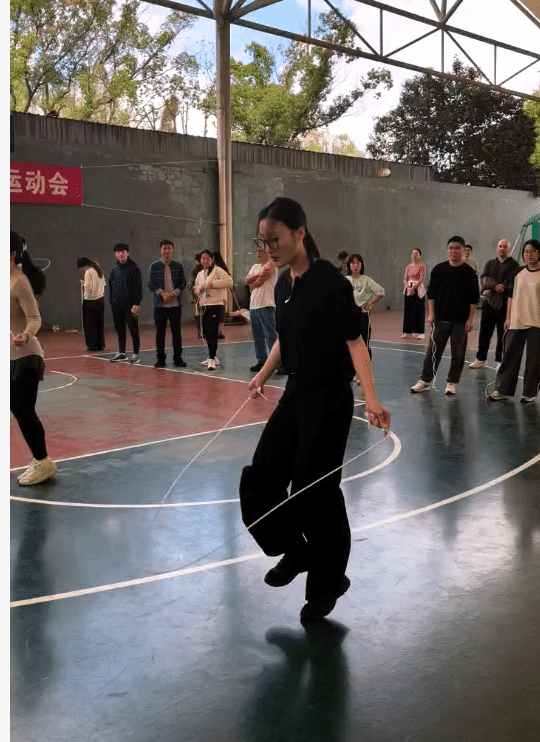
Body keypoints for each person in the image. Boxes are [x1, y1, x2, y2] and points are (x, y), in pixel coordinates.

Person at [239, 197, 390, 622]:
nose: (269, 248)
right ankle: (296, 549)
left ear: (299, 233)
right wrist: (263, 374)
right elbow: (285, 339)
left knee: (315, 493)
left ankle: (328, 584)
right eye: (263, 240)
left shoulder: (330, 282)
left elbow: (355, 342)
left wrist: (371, 399)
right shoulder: (284, 285)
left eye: (275, 239)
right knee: (260, 478)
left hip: (329, 398)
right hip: (296, 393)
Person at [10, 231, 56, 486]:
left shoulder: (20, 282)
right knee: (18, 409)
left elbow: (35, 318)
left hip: (27, 356)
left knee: (23, 410)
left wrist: (26, 334)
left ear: (11, 254)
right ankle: (40, 460)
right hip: (10, 357)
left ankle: (43, 461)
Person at [411, 236, 479, 395]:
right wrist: (431, 314)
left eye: (457, 248)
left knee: (458, 353)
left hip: (460, 321)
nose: (453, 251)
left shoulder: (470, 273)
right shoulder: (439, 270)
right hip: (441, 318)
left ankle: (452, 382)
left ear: (463, 250)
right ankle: (425, 380)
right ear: (448, 250)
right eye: (450, 248)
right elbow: (432, 294)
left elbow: (473, 299)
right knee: (433, 351)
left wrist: (470, 319)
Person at [490, 239, 540, 403]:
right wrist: (508, 318)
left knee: (534, 360)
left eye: (533, 251)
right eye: (526, 251)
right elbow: (510, 296)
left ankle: (529, 392)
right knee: (510, 356)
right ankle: (503, 390)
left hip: (537, 322)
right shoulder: (518, 272)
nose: (529, 254)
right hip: (517, 320)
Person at [469, 239, 519, 370]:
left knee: (503, 334)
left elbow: (512, 284)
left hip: (505, 304)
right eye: (500, 246)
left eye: (504, 247)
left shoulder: (514, 265)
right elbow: (483, 279)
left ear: (508, 249)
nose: (502, 248)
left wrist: (498, 287)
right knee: (484, 332)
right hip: (489, 304)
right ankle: (481, 358)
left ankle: (500, 360)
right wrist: (495, 286)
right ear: (497, 248)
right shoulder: (490, 263)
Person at [148, 240, 187, 368]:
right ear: (161, 250)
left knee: (176, 333)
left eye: (169, 248)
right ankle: (160, 359)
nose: (167, 251)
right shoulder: (154, 266)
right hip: (160, 305)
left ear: (172, 250)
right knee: (160, 333)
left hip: (175, 305)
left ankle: (178, 358)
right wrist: (162, 294)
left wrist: (174, 294)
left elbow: (183, 283)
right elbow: (151, 283)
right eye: (164, 248)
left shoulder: (178, 266)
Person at [193, 249, 233, 370]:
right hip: (204, 305)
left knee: (213, 331)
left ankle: (211, 358)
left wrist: (213, 284)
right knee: (205, 332)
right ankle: (213, 356)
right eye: (203, 258)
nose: (205, 260)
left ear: (212, 260)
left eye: (207, 258)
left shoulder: (218, 270)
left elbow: (229, 281)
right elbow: (196, 288)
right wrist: (198, 290)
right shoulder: (200, 274)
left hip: (216, 304)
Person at [245, 243, 278, 372]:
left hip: (267, 305)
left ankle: (278, 363)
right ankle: (261, 360)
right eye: (257, 251)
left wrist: (255, 280)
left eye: (261, 251)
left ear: (268, 252)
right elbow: (247, 282)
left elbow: (258, 282)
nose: (258, 253)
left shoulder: (272, 264)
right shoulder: (255, 267)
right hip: (254, 306)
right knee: (257, 336)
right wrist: (256, 277)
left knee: (270, 336)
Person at [109, 243, 143, 363]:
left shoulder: (134, 268)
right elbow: (111, 285)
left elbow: (138, 287)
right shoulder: (115, 269)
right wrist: (112, 301)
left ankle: (136, 354)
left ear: (127, 253)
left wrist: (136, 303)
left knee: (133, 329)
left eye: (123, 251)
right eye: (118, 252)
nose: (120, 254)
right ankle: (122, 353)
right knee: (120, 329)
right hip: (116, 304)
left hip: (130, 305)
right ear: (115, 254)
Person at [346, 253, 385, 359]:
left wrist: (370, 303)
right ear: (349, 265)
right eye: (353, 263)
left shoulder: (366, 280)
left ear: (361, 265)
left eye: (358, 263)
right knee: (349, 345)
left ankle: (366, 367)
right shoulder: (345, 280)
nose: (355, 266)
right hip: (349, 317)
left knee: (364, 344)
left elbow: (381, 291)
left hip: (362, 315)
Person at [77, 256, 106, 351]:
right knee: (99, 323)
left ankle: (92, 345)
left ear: (84, 266)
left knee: (89, 324)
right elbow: (103, 284)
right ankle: (100, 344)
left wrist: (84, 285)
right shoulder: (98, 270)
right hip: (100, 299)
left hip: (90, 301)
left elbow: (89, 287)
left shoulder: (88, 272)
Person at [402, 248, 426, 338]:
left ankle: (420, 332)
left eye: (416, 254)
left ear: (419, 256)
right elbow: (405, 278)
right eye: (413, 254)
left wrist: (414, 287)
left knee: (419, 310)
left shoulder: (421, 266)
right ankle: (407, 331)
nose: (414, 255)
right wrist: (408, 286)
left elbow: (421, 279)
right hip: (409, 288)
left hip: (418, 289)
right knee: (408, 310)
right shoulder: (408, 267)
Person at [213, 251, 230, 339]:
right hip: (221, 295)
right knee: (220, 314)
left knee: (218, 313)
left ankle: (218, 331)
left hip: (218, 295)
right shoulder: (223, 267)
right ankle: (220, 331)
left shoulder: (218, 268)